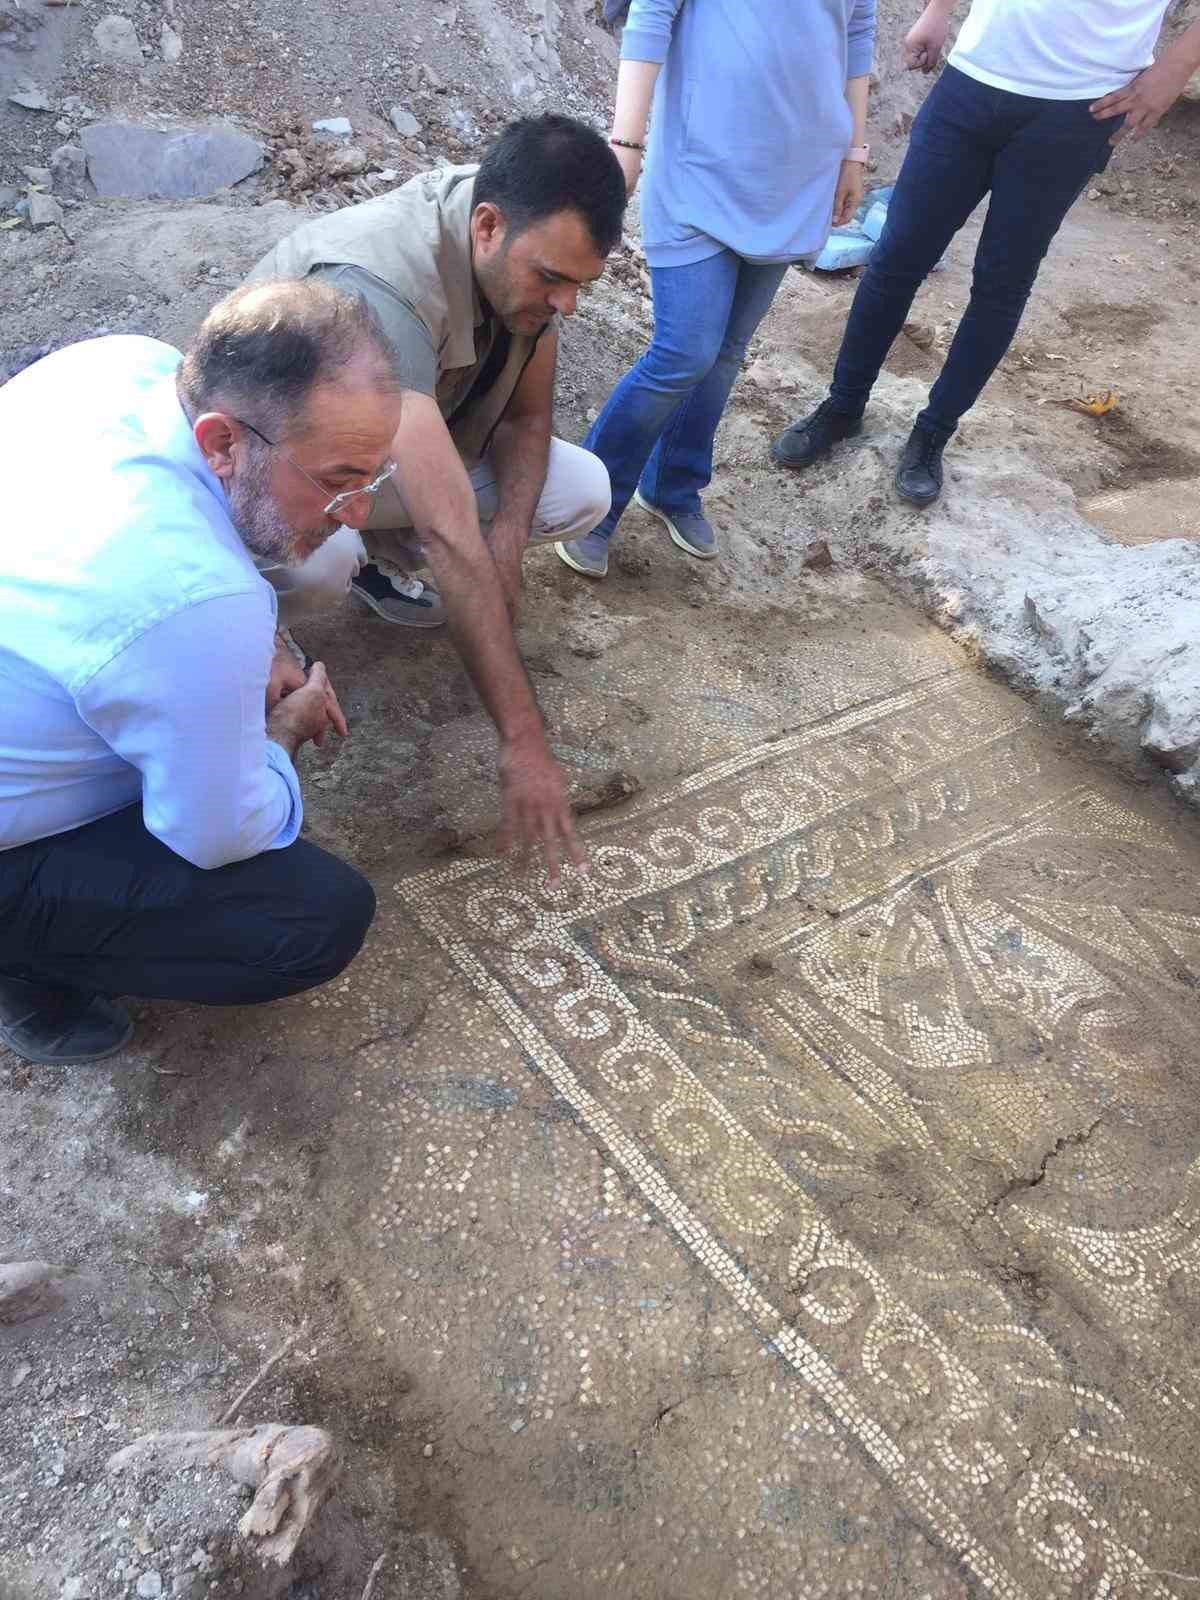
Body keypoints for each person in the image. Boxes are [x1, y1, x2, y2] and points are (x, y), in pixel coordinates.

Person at [0, 281, 405, 1066]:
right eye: (338, 478)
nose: (357, 511)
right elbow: (217, 835)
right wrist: (275, 737)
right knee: (313, 918)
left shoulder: (120, 365)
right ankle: (26, 967)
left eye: (374, 476)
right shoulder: (193, 599)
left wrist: (255, 651)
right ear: (223, 443)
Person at [246, 115, 625, 879]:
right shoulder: (379, 291)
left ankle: (382, 570)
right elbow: (451, 531)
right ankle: (252, 618)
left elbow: (525, 418)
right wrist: (524, 744)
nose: (566, 304)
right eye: (554, 279)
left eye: (579, 285)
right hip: (278, 477)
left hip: (398, 452)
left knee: (582, 488)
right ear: (486, 227)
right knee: (326, 564)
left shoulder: (520, 253)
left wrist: (509, 546)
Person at [772, 0, 1200, 507]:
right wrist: (937, 10)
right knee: (897, 257)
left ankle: (933, 432)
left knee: (1002, 281)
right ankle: (842, 406)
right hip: (974, 79)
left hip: (1080, 106)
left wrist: (1178, 65)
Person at [554, 0, 878, 579]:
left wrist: (854, 152)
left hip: (796, 177)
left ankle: (675, 486)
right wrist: (626, 145)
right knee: (686, 351)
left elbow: (856, 32)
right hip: (699, 169)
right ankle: (593, 505)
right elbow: (652, 14)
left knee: (726, 354)